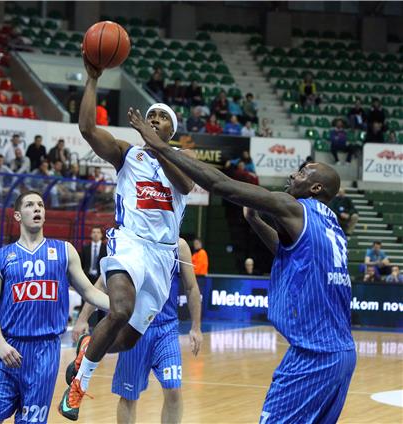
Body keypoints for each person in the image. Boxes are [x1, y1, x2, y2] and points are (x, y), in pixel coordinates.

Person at [136, 121, 356, 423]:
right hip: (342, 355)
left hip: (313, 356)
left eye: (302, 172)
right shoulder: (332, 226)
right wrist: (254, 221)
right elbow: (288, 251)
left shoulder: (294, 207)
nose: (293, 174)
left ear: (316, 188)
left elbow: (220, 185)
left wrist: (162, 148)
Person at [58, 53, 193, 421]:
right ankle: (78, 388)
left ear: (171, 131)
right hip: (130, 242)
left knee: (126, 339)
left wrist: (159, 146)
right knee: (119, 309)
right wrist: (92, 79)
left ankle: (89, 345)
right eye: (151, 116)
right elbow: (87, 129)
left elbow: (186, 184)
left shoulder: (181, 159)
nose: (154, 120)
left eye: (162, 118)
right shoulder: (127, 154)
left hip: (163, 258)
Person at [0, 191, 110, 424]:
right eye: (30, 205)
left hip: (45, 351)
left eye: (40, 205)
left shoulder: (64, 251)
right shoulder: (0, 257)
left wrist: (125, 310)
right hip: (8, 349)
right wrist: (0, 344)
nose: (37, 208)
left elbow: (89, 292)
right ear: (18, 215)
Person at [71, 238, 203, 424]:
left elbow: (191, 287)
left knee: (173, 389)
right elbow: (102, 284)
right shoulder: (130, 241)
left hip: (167, 329)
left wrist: (196, 327)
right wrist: (83, 318)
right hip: (134, 329)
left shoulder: (179, 245)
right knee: (129, 395)